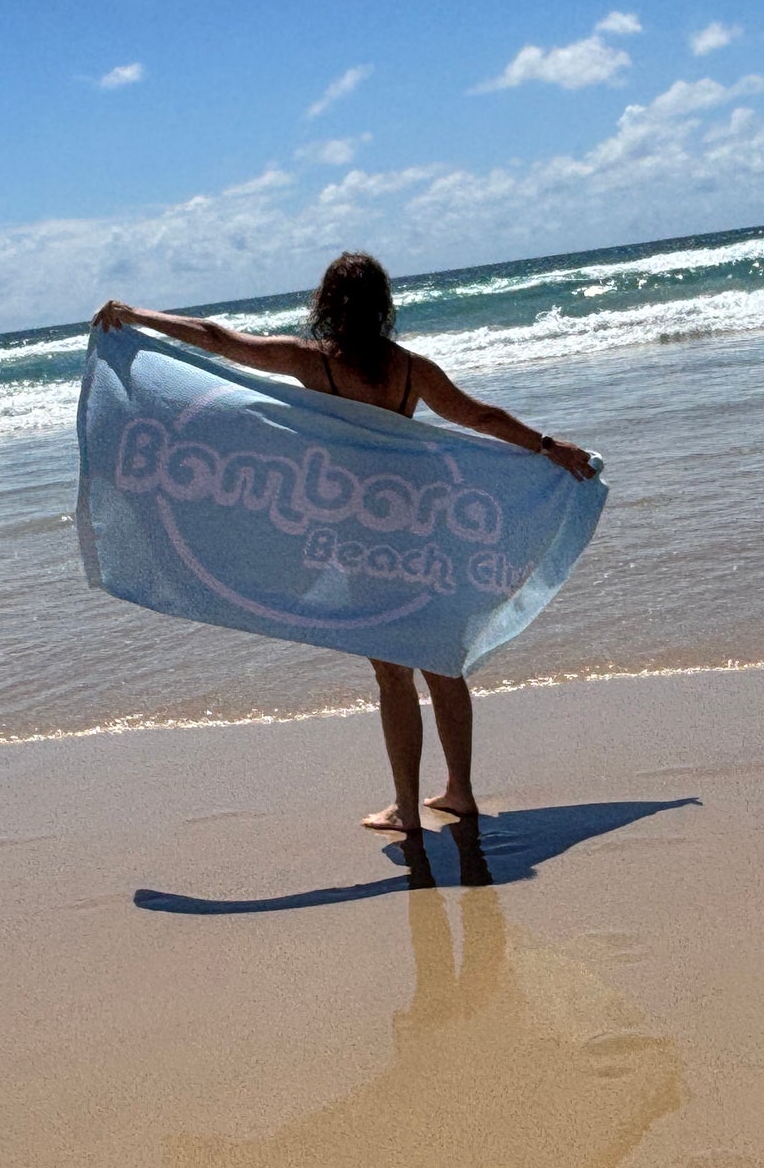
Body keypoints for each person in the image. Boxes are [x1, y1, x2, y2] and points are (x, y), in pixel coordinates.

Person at [92, 251, 597, 833]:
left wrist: (139, 316)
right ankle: (459, 792)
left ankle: (407, 810)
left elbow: (219, 340)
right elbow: (481, 417)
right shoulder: (412, 369)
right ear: (383, 306)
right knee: (443, 663)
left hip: (363, 537)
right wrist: (550, 447)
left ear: (326, 304)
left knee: (391, 674)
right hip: (424, 526)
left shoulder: (312, 362)